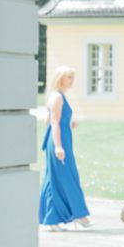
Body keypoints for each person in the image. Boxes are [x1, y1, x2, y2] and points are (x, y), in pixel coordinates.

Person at [39, 66, 93, 230]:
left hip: (60, 141)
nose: (72, 80)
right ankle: (80, 216)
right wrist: (58, 147)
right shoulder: (57, 97)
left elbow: (47, 120)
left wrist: (68, 123)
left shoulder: (58, 96)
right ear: (60, 78)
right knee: (69, 176)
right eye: (69, 77)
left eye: (72, 77)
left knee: (53, 179)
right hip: (59, 143)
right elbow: (53, 122)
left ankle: (51, 220)